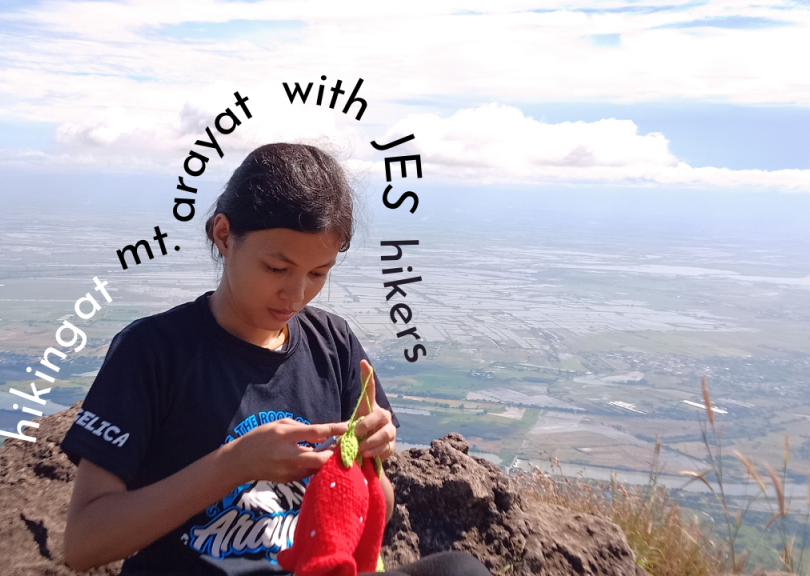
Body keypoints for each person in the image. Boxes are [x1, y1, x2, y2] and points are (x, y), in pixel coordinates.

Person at [61, 143, 492, 576]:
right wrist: (233, 465)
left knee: (461, 570)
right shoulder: (153, 351)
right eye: (276, 268)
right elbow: (83, 543)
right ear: (224, 235)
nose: (297, 294)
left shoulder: (334, 344)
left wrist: (368, 459)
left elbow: (376, 507)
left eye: (318, 273)